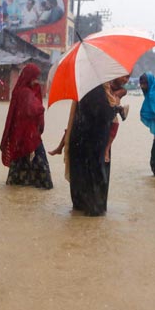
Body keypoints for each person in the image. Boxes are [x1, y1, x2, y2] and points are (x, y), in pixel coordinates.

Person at [66, 82, 119, 216]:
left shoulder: (83, 91)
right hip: (93, 144)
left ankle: (80, 213)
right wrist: (115, 105)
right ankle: (93, 212)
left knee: (81, 180)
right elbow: (103, 115)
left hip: (79, 142)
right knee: (94, 180)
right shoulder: (97, 92)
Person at [0, 64, 53, 189]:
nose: (36, 80)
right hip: (30, 137)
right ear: (29, 77)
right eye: (35, 77)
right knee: (44, 178)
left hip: (19, 137)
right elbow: (34, 109)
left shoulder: (19, 91)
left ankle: (20, 186)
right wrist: (41, 108)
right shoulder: (26, 92)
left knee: (18, 172)